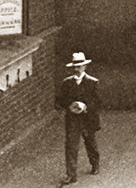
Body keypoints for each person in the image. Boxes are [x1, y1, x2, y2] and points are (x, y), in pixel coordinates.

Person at [56, 52, 101, 184]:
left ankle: (95, 164)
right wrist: (69, 105)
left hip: (88, 119)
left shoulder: (93, 83)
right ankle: (71, 174)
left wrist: (85, 106)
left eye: (79, 67)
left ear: (84, 67)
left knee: (90, 143)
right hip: (72, 120)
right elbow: (60, 100)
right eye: (74, 67)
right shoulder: (67, 83)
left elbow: (98, 102)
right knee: (71, 146)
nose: (76, 70)